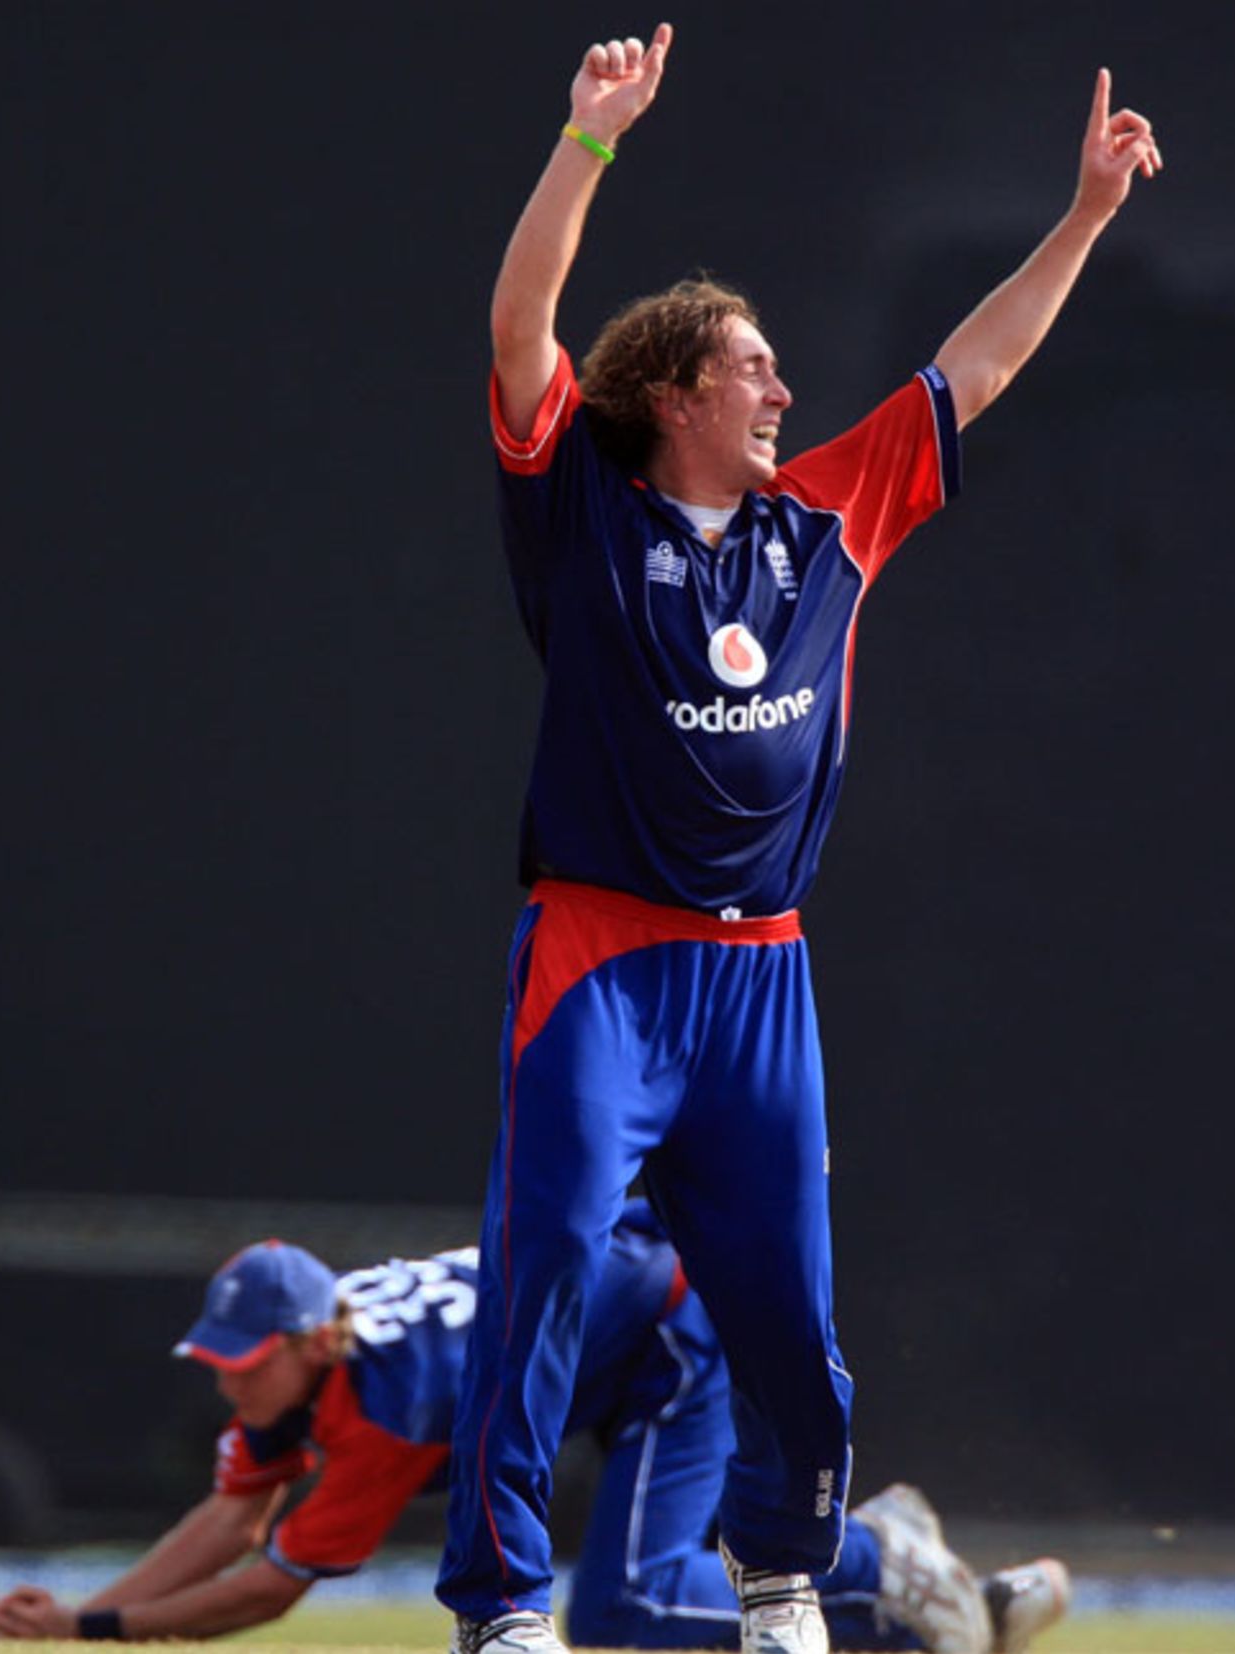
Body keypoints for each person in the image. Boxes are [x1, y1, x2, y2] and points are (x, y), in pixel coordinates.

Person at [436, 22, 1160, 1654]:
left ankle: (781, 1583)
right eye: (752, 365)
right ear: (680, 390)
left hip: (761, 975)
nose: (783, 384)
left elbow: (969, 369)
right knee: (546, 1245)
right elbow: (516, 326)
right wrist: (590, 142)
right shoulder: (588, 514)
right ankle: (499, 1608)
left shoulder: (827, 516)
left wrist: (1085, 220)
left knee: (788, 1317)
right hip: (606, 954)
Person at [0, 1209, 1068, 1654]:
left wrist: (99, 1634)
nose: (227, 1381)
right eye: (219, 1360)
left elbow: (271, 1582)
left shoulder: (380, 1399)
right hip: (614, 1336)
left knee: (622, 1600)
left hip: (672, 1326)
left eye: (241, 1359)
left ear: (311, 1340)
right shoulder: (315, 1362)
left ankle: (879, 1559)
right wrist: (92, 1603)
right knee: (624, 1599)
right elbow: (233, 1507)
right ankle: (923, 1607)